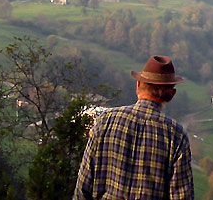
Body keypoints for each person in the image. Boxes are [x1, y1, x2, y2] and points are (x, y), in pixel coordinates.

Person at [74, 55, 194, 200]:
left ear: (138, 85)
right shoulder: (176, 135)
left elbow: (83, 186)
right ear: (171, 95)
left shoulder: (105, 121)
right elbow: (182, 196)